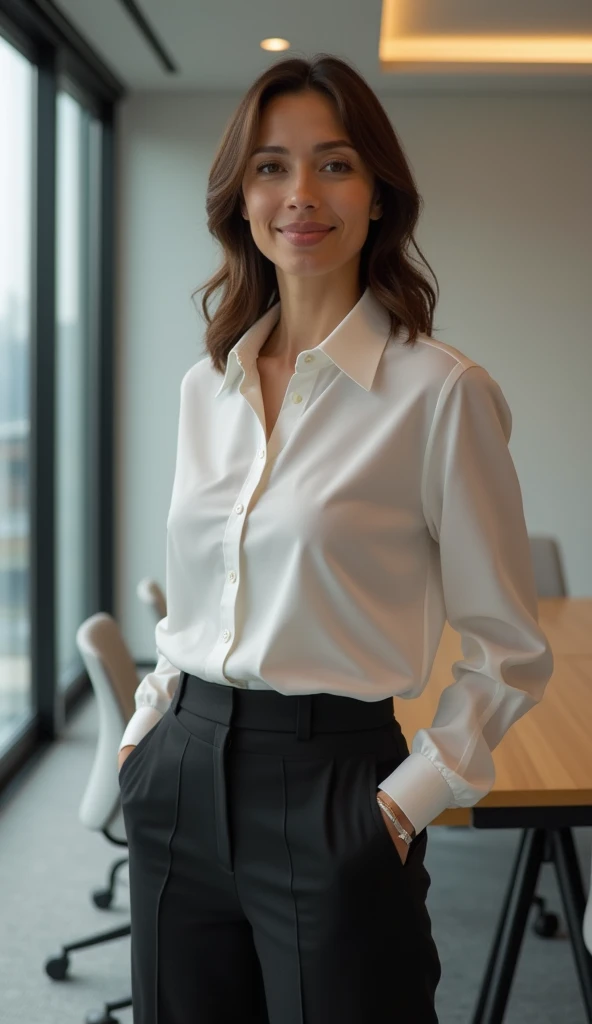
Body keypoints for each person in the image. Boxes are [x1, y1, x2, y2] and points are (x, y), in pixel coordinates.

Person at [117, 52, 554, 1024]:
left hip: (334, 787)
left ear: (378, 194)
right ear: (240, 194)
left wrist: (402, 804)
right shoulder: (207, 386)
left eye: (334, 163)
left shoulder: (439, 393)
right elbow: (193, 601)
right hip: (179, 776)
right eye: (270, 166)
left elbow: (509, 653)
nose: (299, 194)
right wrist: (143, 735)